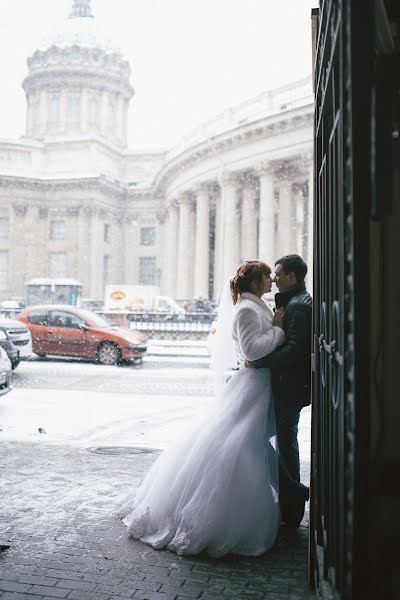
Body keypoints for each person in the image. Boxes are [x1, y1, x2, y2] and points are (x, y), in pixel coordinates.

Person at [119, 260, 285, 557]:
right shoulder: (247, 309)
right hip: (252, 384)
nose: (272, 281)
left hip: (258, 384)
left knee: (242, 447)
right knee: (237, 449)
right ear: (255, 281)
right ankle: (217, 513)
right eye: (267, 276)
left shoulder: (254, 304)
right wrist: (278, 331)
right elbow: (251, 350)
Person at [246, 254, 312, 528]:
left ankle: (292, 494)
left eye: (278, 273)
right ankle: (291, 506)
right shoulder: (295, 302)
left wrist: (259, 361)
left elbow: (294, 352)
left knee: (260, 440)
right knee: (285, 442)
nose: (273, 278)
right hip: (288, 386)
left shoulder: (298, 305)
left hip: (288, 387)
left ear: (291, 278)